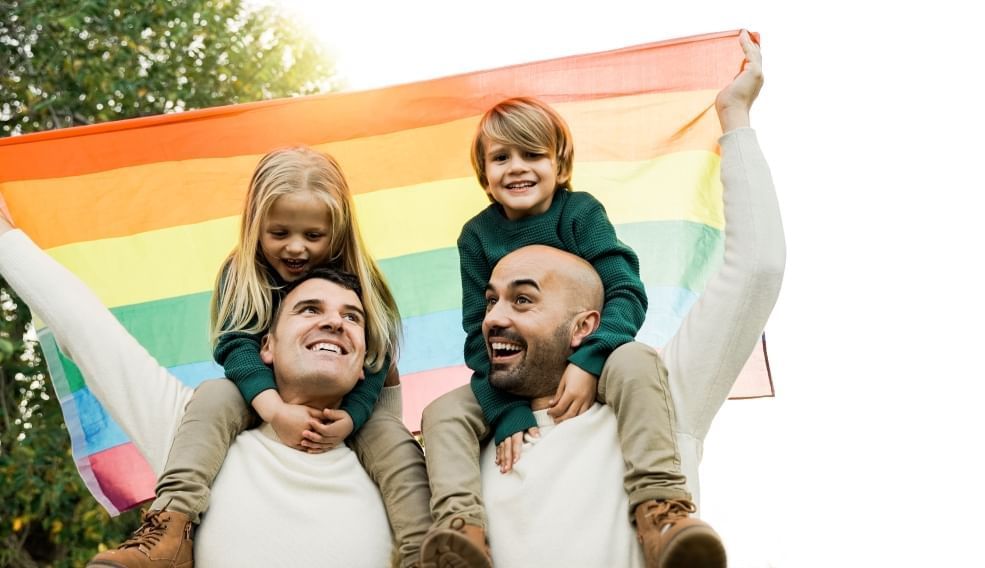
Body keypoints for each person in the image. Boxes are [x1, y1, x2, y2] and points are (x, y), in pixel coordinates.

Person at [421, 30, 782, 568]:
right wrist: (502, 410)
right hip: (500, 409)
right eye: (501, 158)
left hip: (608, 360)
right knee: (441, 411)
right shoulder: (476, 238)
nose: (494, 316)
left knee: (635, 359)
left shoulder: (654, 401)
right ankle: (461, 532)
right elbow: (474, 331)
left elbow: (722, 273)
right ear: (485, 174)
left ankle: (660, 506)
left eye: (522, 300)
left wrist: (734, 117)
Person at [82, 148, 431, 567]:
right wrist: (275, 409)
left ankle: (425, 549)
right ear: (255, 226)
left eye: (313, 236)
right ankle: (170, 527)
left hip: (350, 406)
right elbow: (235, 347)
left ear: (337, 233)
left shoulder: (361, 284)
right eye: (279, 233)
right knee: (213, 395)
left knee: (393, 440)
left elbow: (376, 360)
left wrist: (354, 417)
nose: (296, 249)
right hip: (255, 394)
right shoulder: (242, 272)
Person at [0, 214, 400, 565]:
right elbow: (82, 324)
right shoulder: (195, 436)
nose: (334, 322)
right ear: (267, 345)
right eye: (310, 309)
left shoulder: (395, 473)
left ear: (368, 363)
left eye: (353, 317)